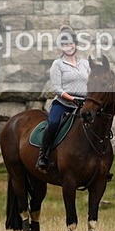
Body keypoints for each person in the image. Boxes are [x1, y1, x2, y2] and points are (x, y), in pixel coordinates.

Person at [37, 26, 90, 172]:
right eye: (65, 44)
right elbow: (57, 89)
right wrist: (73, 99)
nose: (69, 47)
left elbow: (92, 83)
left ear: (76, 45)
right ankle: (43, 156)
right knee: (53, 123)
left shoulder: (85, 64)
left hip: (84, 104)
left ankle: (101, 160)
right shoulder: (57, 64)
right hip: (63, 103)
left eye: (71, 43)